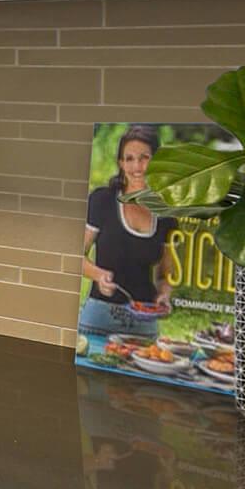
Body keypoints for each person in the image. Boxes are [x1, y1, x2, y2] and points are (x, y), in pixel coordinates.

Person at [80, 126, 179, 340]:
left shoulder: (166, 214)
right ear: (121, 164)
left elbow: (165, 275)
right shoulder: (102, 201)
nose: (137, 166)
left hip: (144, 327)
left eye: (145, 158)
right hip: (98, 322)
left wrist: (164, 293)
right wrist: (98, 275)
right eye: (129, 158)